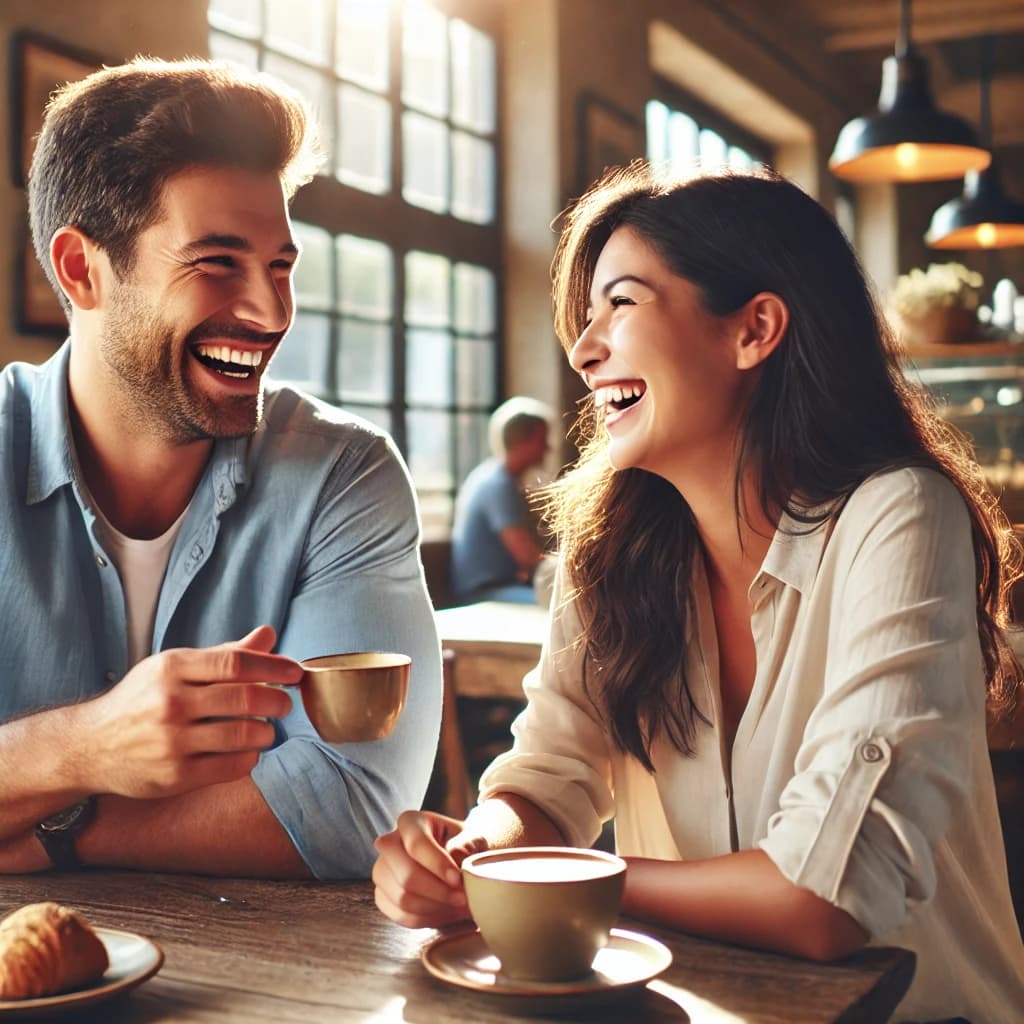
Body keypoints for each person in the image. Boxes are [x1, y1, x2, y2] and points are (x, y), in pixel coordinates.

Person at [372, 164, 1024, 1022]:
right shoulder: (607, 553)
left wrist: (562, 884)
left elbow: (825, 899)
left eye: (624, 304)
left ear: (754, 329)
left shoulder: (897, 515)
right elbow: (552, 772)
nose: (584, 347)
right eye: (588, 313)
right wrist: (480, 851)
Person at [0, 58, 441, 881]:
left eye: (281, 266)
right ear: (80, 269)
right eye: (217, 262)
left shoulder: (344, 476)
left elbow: (353, 804)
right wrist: (84, 748)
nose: (272, 313)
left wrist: (54, 830)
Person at [450, 396, 553, 604]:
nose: (547, 448)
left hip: (500, 586)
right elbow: (525, 556)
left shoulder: (495, 477)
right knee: (564, 603)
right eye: (542, 439)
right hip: (482, 594)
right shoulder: (498, 485)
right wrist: (570, 571)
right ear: (520, 441)